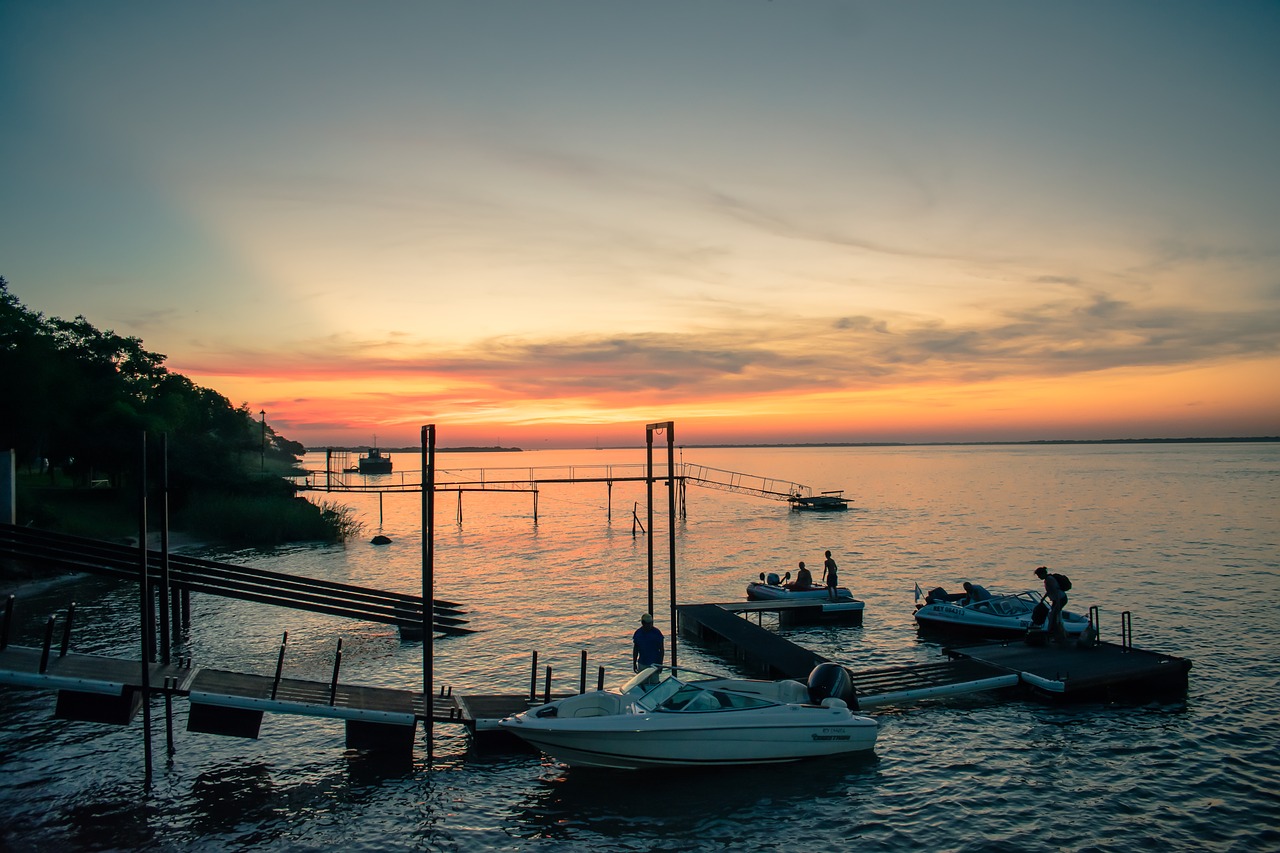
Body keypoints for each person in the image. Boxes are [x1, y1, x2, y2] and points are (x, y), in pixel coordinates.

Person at [1035, 566, 1067, 640]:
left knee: (1054, 617)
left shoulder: (1050, 580)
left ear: (1043, 573)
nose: (1039, 577)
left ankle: (1056, 635)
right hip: (1057, 600)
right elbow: (1049, 591)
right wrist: (1043, 599)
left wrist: (1057, 605)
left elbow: (1056, 592)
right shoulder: (1047, 580)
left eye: (1039, 575)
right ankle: (1055, 634)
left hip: (1060, 599)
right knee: (1053, 616)